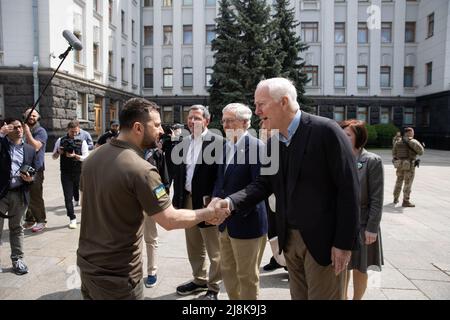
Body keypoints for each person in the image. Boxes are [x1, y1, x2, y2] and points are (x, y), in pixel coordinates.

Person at [216, 77, 360, 300]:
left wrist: (343, 243)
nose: (256, 111)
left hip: (323, 243)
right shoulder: (274, 142)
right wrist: (231, 202)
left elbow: (349, 190)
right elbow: (263, 184)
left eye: (261, 104)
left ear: (283, 102)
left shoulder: (326, 131)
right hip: (290, 241)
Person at [76, 98, 229, 300]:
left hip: (87, 266)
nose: (161, 131)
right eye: (156, 125)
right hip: (119, 275)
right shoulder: (142, 170)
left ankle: (210, 285)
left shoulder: (93, 158)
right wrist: (209, 212)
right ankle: (199, 279)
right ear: (138, 127)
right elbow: (169, 220)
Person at [212, 103, 267, 300]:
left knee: (247, 276)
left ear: (245, 123)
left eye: (230, 121)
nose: (225, 125)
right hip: (225, 223)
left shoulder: (257, 147)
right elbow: (221, 180)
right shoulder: (225, 146)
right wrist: (214, 201)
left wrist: (230, 204)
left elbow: (259, 187)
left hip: (247, 221)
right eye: (224, 120)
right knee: (227, 271)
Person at [171, 105, 224, 300]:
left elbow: (221, 177)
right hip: (187, 200)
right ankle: (199, 279)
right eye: (190, 118)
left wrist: (215, 202)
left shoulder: (218, 142)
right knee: (193, 244)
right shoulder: (184, 142)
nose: (192, 121)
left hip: (207, 203)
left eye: (197, 118)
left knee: (214, 247)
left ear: (207, 121)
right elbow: (179, 173)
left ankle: (214, 287)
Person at [340, 120, 384, 300]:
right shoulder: (337, 158)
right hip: (341, 221)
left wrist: (372, 227)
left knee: (360, 266)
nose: (343, 136)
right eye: (341, 133)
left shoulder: (371, 161)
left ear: (359, 138)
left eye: (348, 134)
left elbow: (377, 198)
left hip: (363, 221)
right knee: (341, 265)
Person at [0, 118, 37, 275]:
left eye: (20, 127)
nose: (18, 129)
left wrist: (30, 178)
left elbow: (34, 170)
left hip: (20, 193)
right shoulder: (2, 144)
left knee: (17, 228)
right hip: (1, 194)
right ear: (7, 129)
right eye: (14, 127)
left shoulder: (29, 149)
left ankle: (18, 260)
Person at [142, 142, 170, 288]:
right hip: (129, 203)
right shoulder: (127, 152)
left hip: (149, 204)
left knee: (151, 238)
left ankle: (152, 272)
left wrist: (160, 202)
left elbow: (163, 181)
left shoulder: (157, 154)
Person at [52, 120, 89, 229]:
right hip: (65, 172)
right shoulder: (60, 140)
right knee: (68, 197)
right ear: (68, 130)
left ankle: (78, 203)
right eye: (72, 132)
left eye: (76, 132)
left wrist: (75, 156)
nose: (74, 134)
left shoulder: (82, 142)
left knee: (80, 192)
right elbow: (53, 157)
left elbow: (86, 157)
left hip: (79, 172)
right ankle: (72, 218)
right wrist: (58, 152)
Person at [22, 108, 48, 233]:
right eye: (29, 115)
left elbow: (36, 147)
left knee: (35, 195)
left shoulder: (40, 131)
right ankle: (30, 219)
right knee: (25, 193)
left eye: (34, 115)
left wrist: (27, 132)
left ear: (38, 117)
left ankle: (41, 220)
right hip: (23, 167)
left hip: (35, 168)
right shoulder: (20, 129)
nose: (31, 117)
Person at [392, 127, 424, 207]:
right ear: (409, 133)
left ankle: (395, 198)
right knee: (408, 183)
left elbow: (394, 153)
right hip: (409, 165)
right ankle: (405, 201)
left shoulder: (398, 142)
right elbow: (421, 152)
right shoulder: (413, 141)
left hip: (399, 164)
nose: (413, 134)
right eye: (412, 132)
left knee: (398, 181)